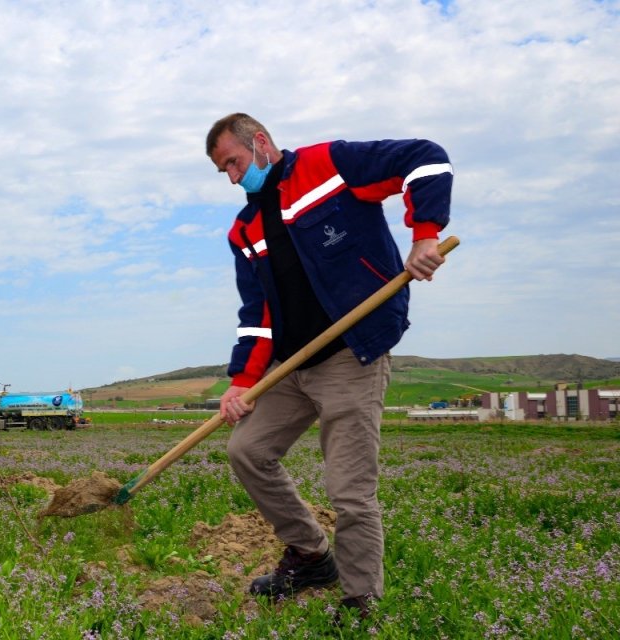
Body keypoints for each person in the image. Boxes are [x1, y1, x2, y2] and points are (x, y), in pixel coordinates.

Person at [204, 113, 451, 620]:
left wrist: (425, 234)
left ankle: (362, 600)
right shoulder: (244, 230)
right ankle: (311, 554)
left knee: (350, 490)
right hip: (290, 367)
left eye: (234, 162)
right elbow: (256, 316)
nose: (232, 177)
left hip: (351, 355)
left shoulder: (328, 165)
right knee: (247, 450)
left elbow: (424, 158)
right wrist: (242, 383)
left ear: (262, 142)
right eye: (223, 171)